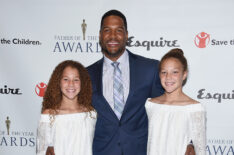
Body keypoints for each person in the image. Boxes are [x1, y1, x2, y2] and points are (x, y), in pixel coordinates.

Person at [87, 9, 164, 155]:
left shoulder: (150, 68)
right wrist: (52, 142)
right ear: (100, 35)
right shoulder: (85, 75)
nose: (113, 36)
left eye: (119, 30)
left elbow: (171, 105)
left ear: (126, 35)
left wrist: (188, 141)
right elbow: (69, 111)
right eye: (107, 30)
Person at [145, 48, 206, 155]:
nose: (168, 77)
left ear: (184, 74)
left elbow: (200, 149)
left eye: (175, 72)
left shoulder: (194, 108)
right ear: (159, 75)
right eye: (164, 72)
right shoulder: (150, 105)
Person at [36, 60, 96, 155]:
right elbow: (42, 151)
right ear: (58, 82)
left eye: (76, 79)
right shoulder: (49, 115)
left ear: (82, 83)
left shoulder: (91, 114)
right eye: (66, 79)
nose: (71, 84)